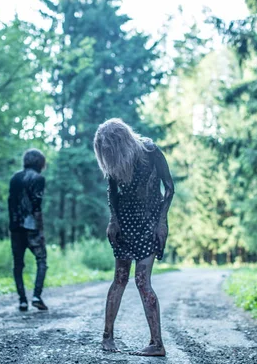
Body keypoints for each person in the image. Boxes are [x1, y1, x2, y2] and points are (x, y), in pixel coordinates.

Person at [93, 118, 175, 357]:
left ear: (121, 141)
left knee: (142, 281)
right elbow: (112, 191)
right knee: (119, 278)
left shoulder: (150, 150)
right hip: (124, 223)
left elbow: (169, 187)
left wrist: (162, 222)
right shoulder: (114, 158)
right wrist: (113, 219)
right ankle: (107, 337)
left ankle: (157, 343)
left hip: (150, 223)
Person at [8, 148, 48, 311]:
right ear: (40, 162)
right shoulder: (38, 178)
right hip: (31, 226)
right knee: (41, 260)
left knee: (18, 264)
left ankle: (22, 300)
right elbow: (36, 206)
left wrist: (11, 225)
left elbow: (10, 204)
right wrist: (40, 229)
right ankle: (37, 296)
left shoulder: (14, 178)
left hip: (15, 227)